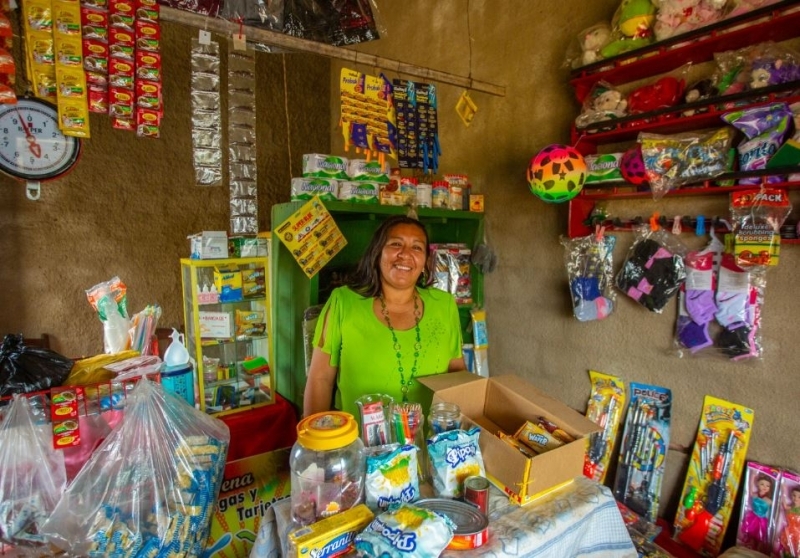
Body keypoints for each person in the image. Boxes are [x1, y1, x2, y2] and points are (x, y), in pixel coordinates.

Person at [303, 214, 466, 421]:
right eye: (396, 244)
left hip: (432, 444)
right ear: (377, 253)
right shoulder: (344, 302)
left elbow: (457, 375)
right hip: (361, 447)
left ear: (425, 262)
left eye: (417, 247)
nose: (405, 254)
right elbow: (320, 379)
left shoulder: (444, 305)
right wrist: (316, 442)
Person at [739, 473, 774, 550]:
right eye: (762, 484)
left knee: (760, 537)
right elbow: (750, 489)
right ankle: (749, 546)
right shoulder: (755, 495)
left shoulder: (769, 500)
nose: (765, 487)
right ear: (757, 484)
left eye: (767, 486)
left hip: (761, 520)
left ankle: (758, 549)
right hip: (753, 516)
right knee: (751, 534)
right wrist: (752, 476)